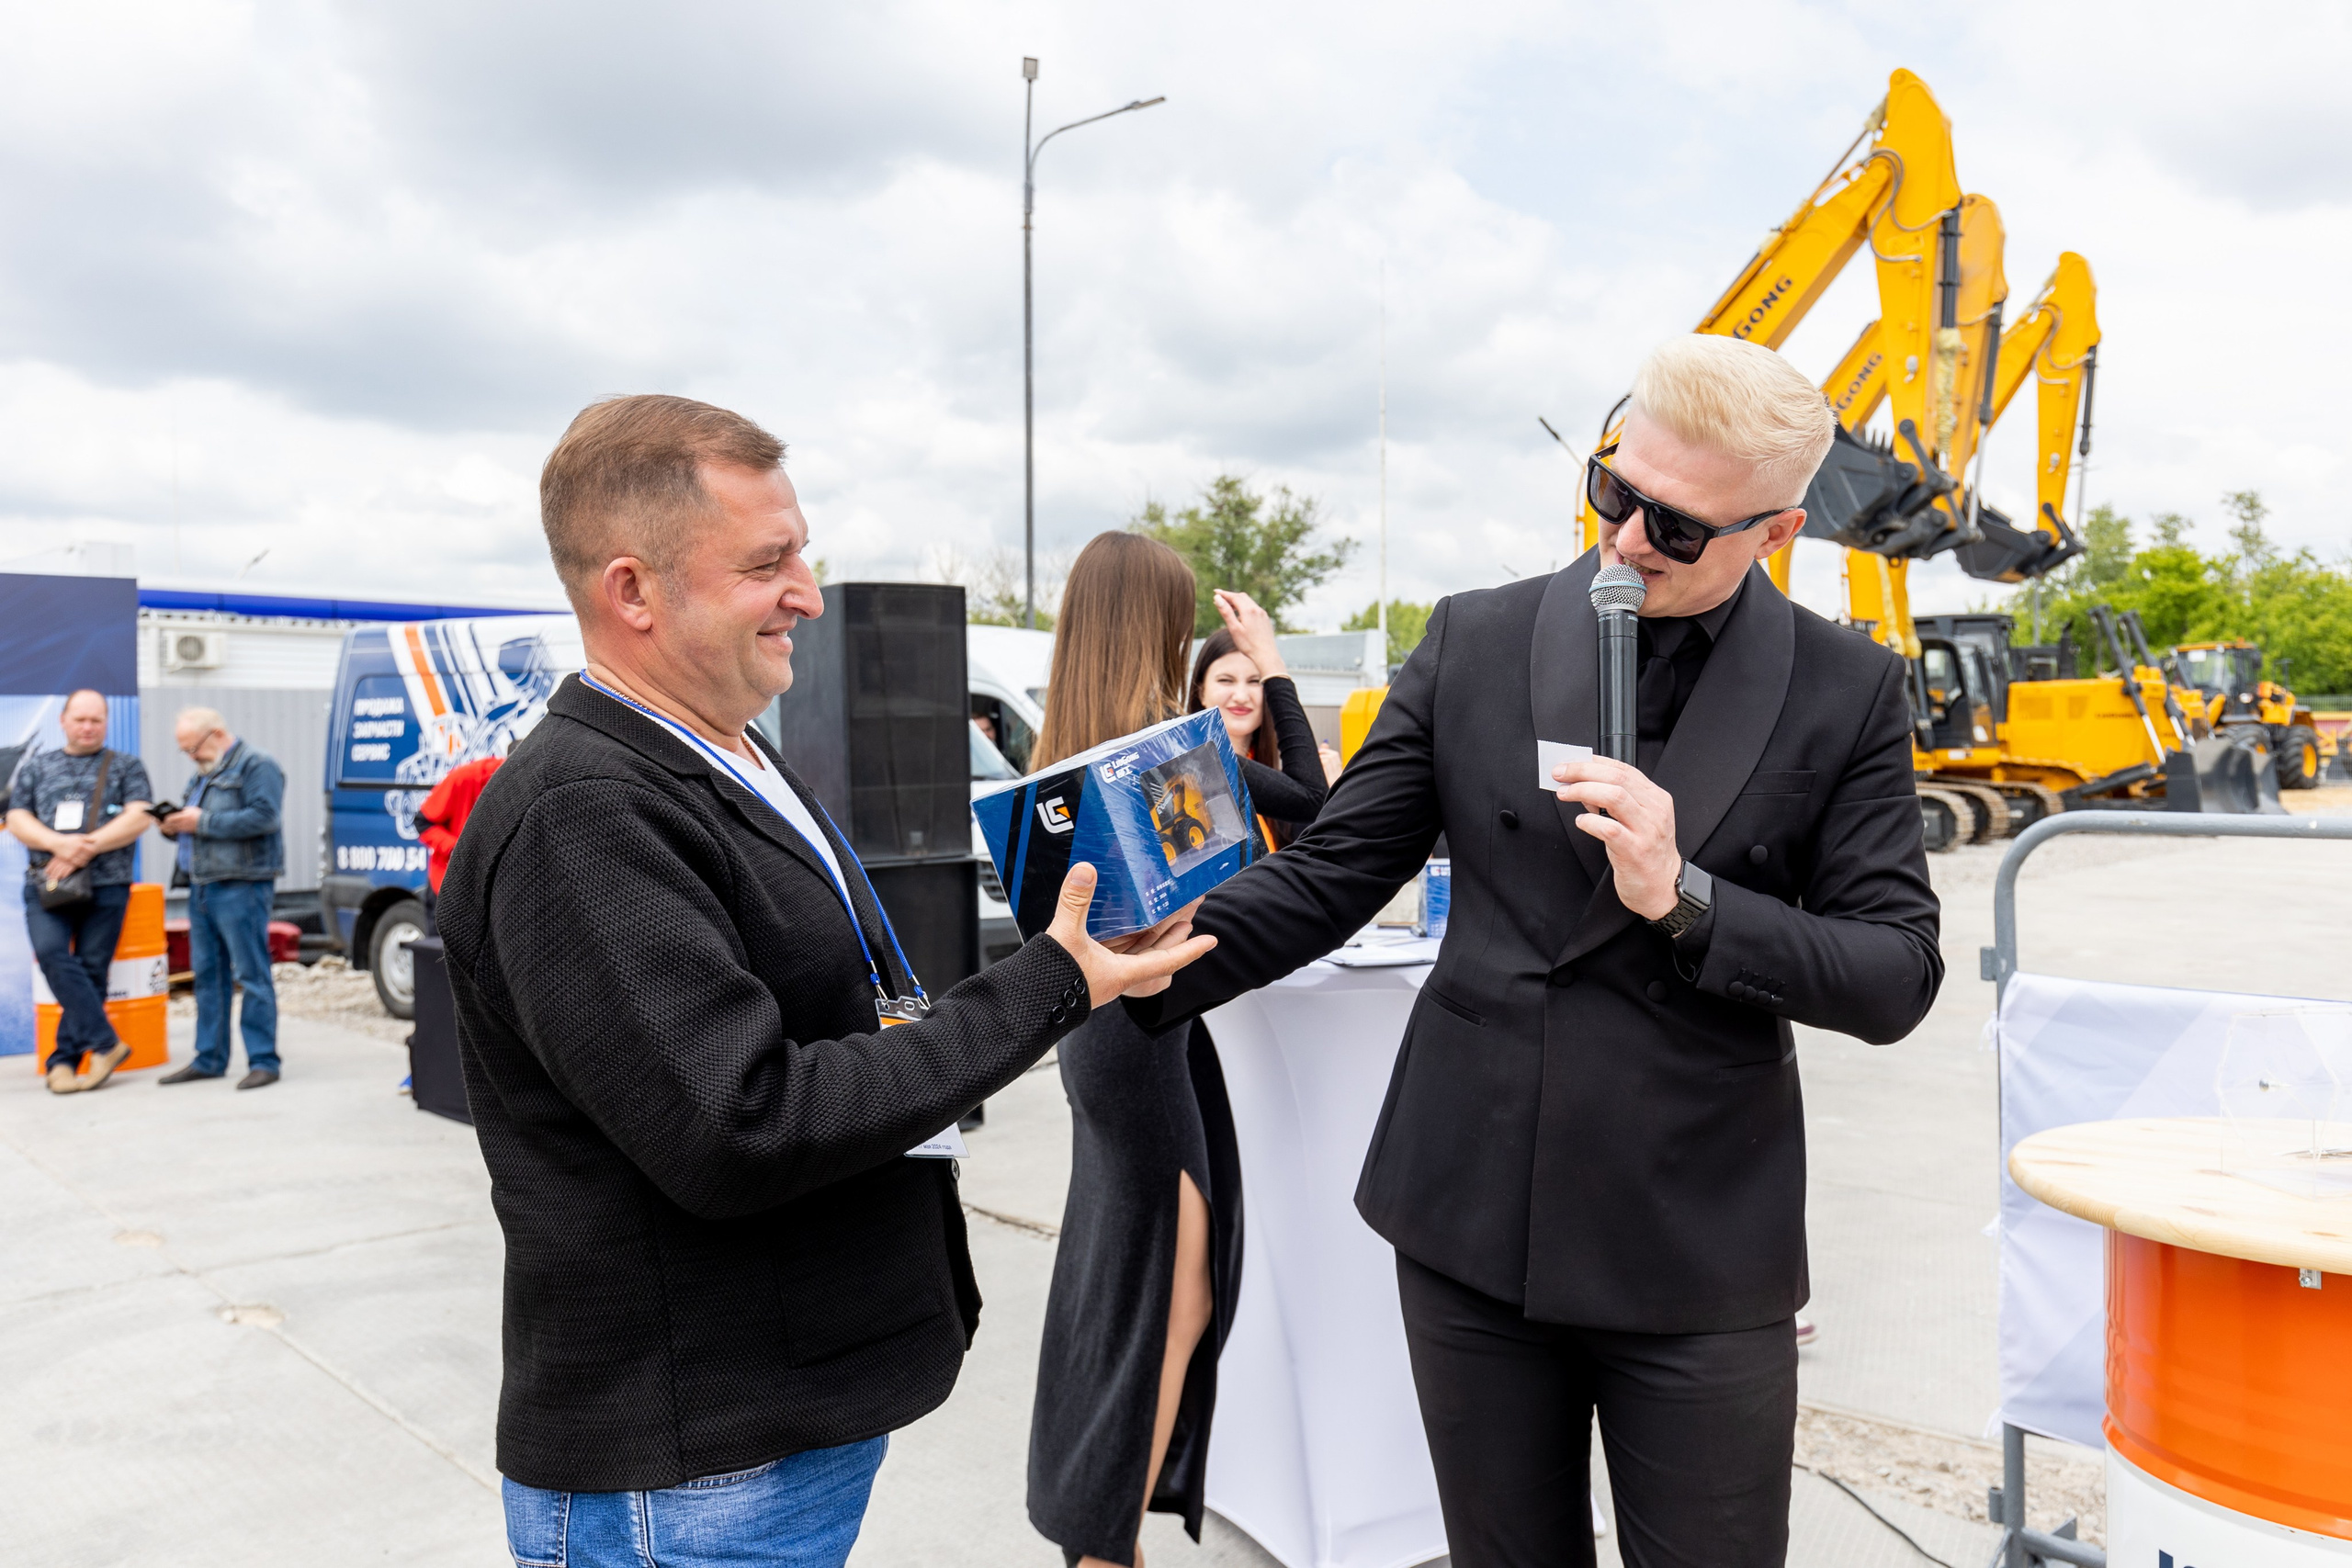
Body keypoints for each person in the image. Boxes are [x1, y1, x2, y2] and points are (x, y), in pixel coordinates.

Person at [1126, 334, 1943, 1568]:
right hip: (1471, 1210)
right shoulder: (1477, 639)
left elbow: (1894, 974)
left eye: (1674, 529)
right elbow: (1337, 870)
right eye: (1617, 491)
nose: (1626, 540)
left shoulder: (1849, 688)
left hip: (1700, 1240)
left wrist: (1687, 897)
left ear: (1774, 534)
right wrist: (1110, 973)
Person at [434, 395, 1208, 1568]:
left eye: (802, 553)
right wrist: (1047, 982)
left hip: (772, 1441)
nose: (806, 592)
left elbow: (849, 1017)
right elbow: (738, 1124)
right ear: (632, 593)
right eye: (768, 564)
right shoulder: (583, 814)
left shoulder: (724, 751)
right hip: (694, 1478)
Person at [1028, 533, 1252, 1568]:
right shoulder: (1165, 754)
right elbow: (1297, 827)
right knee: (1170, 1286)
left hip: (1104, 1035)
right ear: (1153, 627)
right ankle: (1102, 1548)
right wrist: (1277, 678)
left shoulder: (1061, 758)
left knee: (1124, 1277)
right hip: (1144, 1035)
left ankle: (1096, 1532)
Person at [5, 690, 154, 1094]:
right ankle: (106, 1044)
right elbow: (17, 817)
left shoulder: (126, 766)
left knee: (91, 968)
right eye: (80, 719)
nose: (88, 727)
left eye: (96, 720)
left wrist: (84, 847)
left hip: (108, 883)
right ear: (63, 721)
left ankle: (64, 1062)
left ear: (105, 722)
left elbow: (140, 815)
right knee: (53, 954)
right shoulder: (37, 766)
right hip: (47, 882)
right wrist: (59, 845)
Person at [156, 710, 287, 1090]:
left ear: (216, 734)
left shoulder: (258, 765)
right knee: (208, 976)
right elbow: (198, 824)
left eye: (192, 748)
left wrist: (203, 822)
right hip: (201, 885)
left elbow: (266, 818)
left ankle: (264, 1060)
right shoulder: (205, 771)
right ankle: (208, 1059)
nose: (190, 757)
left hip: (241, 885)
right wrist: (174, 826)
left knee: (251, 974)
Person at [1186, 589, 1329, 848]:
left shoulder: (1287, 789)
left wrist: (1338, 801)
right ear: (1200, 691)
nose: (1241, 696)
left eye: (1255, 681)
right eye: (1225, 680)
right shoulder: (1183, 782)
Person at [416, 753, 502, 926]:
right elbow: (423, 821)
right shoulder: (465, 777)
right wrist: (458, 849)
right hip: (447, 888)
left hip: (486, 893)